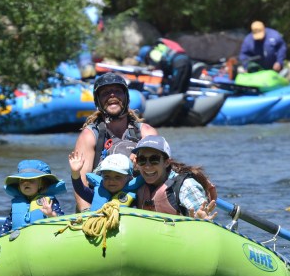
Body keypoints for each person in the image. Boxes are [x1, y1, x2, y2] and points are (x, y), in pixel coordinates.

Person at [73, 72, 158, 212]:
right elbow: (82, 182)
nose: (112, 95)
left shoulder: (146, 133)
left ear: (126, 98)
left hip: (136, 206)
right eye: (106, 92)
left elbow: (161, 173)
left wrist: (141, 165)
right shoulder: (89, 136)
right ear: (97, 101)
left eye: (117, 91)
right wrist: (87, 216)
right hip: (100, 207)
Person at [131, 135, 217, 220]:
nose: (147, 166)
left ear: (167, 162)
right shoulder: (135, 183)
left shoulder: (186, 186)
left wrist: (200, 220)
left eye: (154, 159)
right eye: (142, 160)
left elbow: (203, 217)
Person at [0, 160, 66, 235]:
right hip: (20, 241)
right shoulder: (18, 202)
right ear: (19, 186)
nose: (26, 183)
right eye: (22, 180)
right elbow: (7, 225)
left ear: (41, 184)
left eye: (31, 180)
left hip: (43, 238)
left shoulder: (48, 202)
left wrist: (51, 215)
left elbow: (62, 220)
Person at [68, 152, 143, 210]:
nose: (111, 181)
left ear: (129, 178)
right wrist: (75, 173)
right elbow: (80, 189)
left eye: (117, 177)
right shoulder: (99, 193)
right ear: (102, 176)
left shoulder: (136, 195)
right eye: (107, 177)